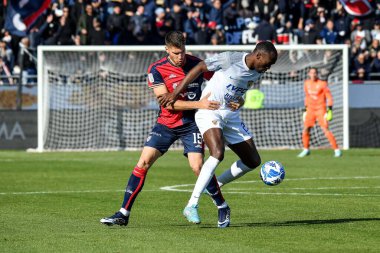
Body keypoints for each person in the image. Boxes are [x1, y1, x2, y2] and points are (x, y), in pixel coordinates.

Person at [100, 31, 241, 228]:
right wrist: (199, 104)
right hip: (166, 123)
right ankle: (123, 213)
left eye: (182, 51)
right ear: (167, 50)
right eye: (175, 53)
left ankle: (222, 206)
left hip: (192, 123)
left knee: (198, 166)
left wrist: (235, 97)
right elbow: (167, 104)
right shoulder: (156, 69)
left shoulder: (196, 63)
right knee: (143, 162)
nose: (180, 56)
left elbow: (222, 81)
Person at [158, 41, 278, 224]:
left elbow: (238, 92)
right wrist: (174, 93)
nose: (268, 68)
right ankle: (192, 204)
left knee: (253, 160)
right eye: (267, 63)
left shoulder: (258, 71)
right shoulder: (231, 58)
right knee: (217, 153)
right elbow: (200, 67)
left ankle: (215, 185)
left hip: (231, 116)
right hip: (209, 111)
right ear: (258, 56)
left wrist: (241, 102)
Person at [298, 67, 342, 158]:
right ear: (309, 74)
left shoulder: (322, 84)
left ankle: (337, 150)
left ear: (317, 74)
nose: (313, 74)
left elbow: (329, 97)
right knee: (306, 129)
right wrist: (305, 109)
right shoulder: (306, 83)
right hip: (310, 109)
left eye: (314, 73)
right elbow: (307, 96)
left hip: (320, 109)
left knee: (325, 129)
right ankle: (306, 149)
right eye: (311, 73)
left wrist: (329, 110)